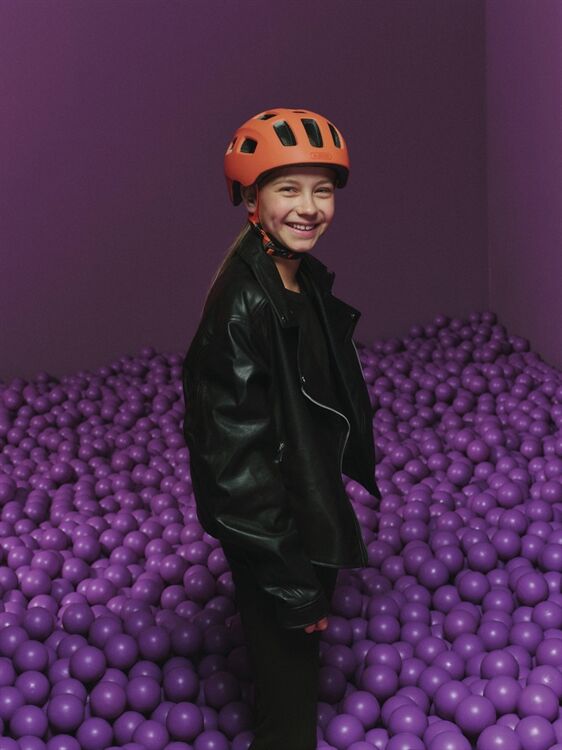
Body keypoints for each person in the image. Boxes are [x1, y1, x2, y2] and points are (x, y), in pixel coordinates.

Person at [181, 107, 380, 750]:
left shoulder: (302, 280)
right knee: (289, 718)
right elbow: (231, 468)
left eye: (322, 190)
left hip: (302, 514)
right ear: (251, 197)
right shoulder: (242, 307)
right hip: (275, 538)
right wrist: (292, 581)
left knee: (294, 684)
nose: (309, 208)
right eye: (288, 189)